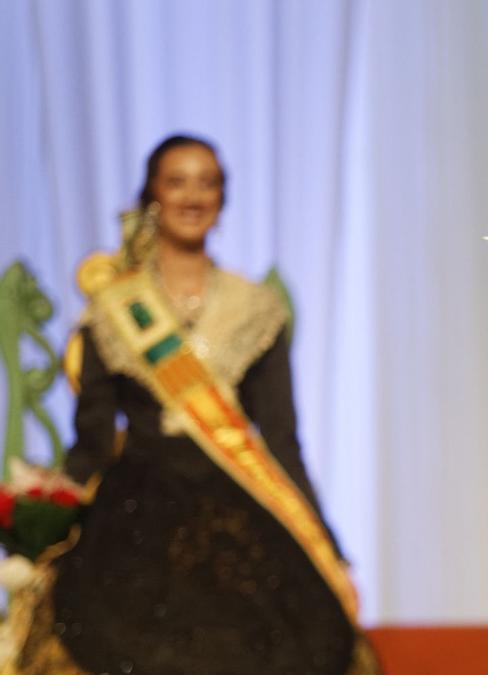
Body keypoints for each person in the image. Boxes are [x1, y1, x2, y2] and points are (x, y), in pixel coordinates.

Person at [11, 135, 379, 674]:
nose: (193, 196)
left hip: (240, 506)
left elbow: (280, 439)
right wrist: (38, 529)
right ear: (152, 195)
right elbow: (90, 442)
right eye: (177, 180)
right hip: (135, 510)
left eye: (207, 182)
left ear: (223, 199)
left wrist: (325, 543)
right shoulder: (113, 310)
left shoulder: (256, 308)